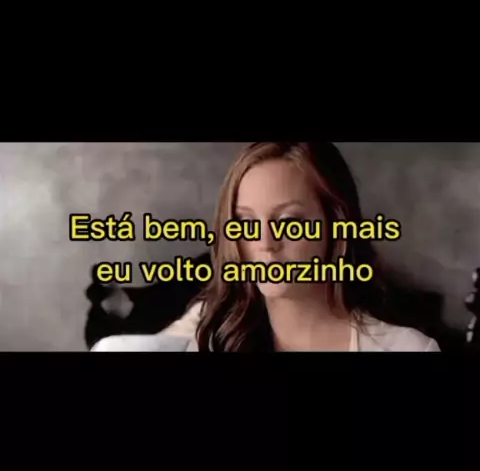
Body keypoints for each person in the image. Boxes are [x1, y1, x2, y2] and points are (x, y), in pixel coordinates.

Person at [92, 140, 441, 352]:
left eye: (288, 221)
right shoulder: (209, 334)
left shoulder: (408, 348)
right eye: (246, 223)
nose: (265, 243)